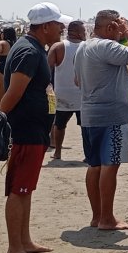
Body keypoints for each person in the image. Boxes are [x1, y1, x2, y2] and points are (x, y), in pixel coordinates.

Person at [0, 2, 69, 253]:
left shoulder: (35, 49)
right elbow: (14, 93)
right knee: (19, 189)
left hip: (34, 131)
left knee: (26, 188)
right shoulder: (28, 51)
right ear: (46, 26)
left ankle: (24, 241)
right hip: (25, 131)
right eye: (59, 24)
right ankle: (14, 249)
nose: (62, 28)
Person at [74, 10, 128, 230]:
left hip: (90, 114)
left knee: (94, 165)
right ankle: (106, 218)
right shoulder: (105, 46)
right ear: (110, 28)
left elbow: (77, 81)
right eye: (118, 28)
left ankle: (97, 216)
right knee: (109, 166)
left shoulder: (83, 48)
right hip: (111, 116)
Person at [48, 20, 85, 161]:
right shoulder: (86, 46)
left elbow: (47, 68)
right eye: (83, 31)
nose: (85, 33)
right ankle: (88, 154)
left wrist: (47, 86)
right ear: (76, 32)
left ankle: (58, 152)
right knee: (85, 126)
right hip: (82, 94)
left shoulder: (58, 47)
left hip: (62, 93)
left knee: (60, 125)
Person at [0, 27, 17, 107]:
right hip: (13, 69)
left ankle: (0, 114)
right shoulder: (16, 43)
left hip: (2, 68)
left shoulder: (3, 43)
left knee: (1, 95)